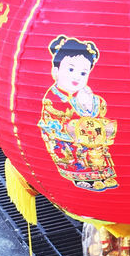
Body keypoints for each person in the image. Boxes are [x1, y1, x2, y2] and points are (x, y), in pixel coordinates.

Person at [39, 35, 118, 191]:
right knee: (82, 148)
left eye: (83, 73)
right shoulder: (53, 96)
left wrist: (89, 102)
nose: (77, 76)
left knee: (99, 142)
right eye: (70, 69)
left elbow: (97, 112)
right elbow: (58, 119)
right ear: (55, 71)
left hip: (84, 134)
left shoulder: (82, 93)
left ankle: (102, 174)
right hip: (63, 137)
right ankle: (82, 176)